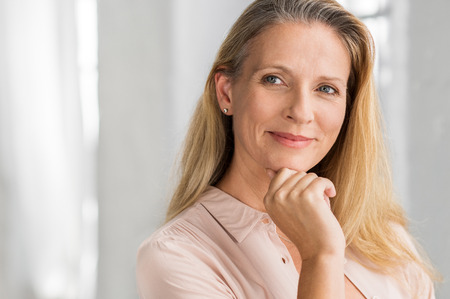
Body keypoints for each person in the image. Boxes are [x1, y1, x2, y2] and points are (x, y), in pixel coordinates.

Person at [137, 0, 438, 298]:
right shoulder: (177, 257)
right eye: (274, 79)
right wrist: (320, 256)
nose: (301, 111)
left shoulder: (385, 240)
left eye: (326, 89)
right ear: (226, 92)